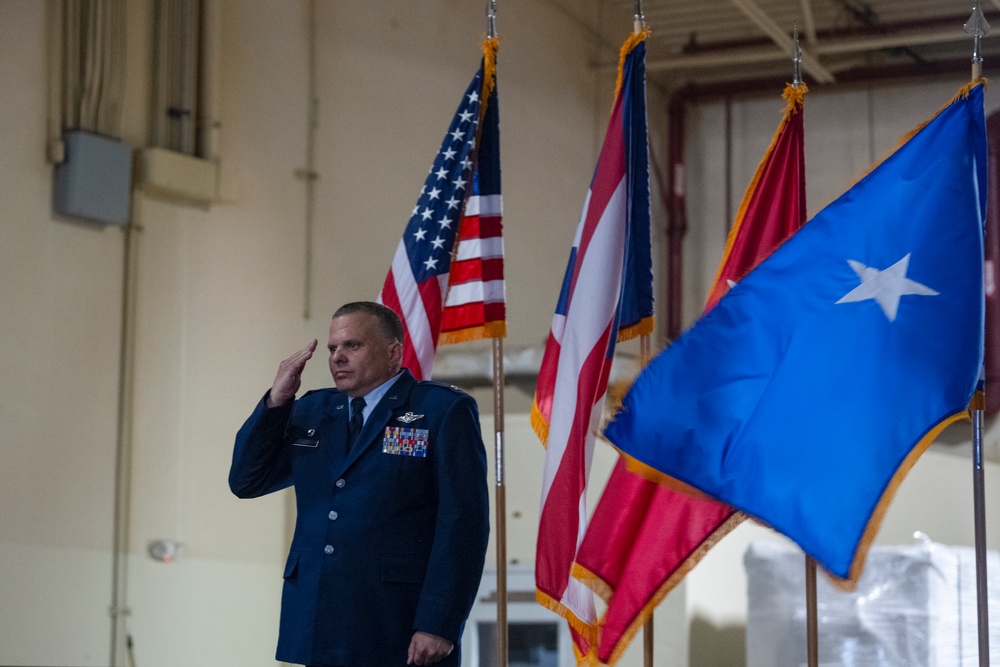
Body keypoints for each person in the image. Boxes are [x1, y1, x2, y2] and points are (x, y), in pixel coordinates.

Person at [229, 301, 489, 667]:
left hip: (397, 623)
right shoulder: (312, 411)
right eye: (334, 348)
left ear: (393, 352)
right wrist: (277, 401)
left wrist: (439, 622)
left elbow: (464, 525)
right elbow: (246, 480)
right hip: (320, 620)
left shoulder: (440, 411)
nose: (337, 357)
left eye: (352, 346)